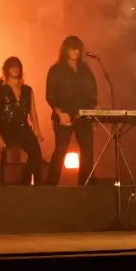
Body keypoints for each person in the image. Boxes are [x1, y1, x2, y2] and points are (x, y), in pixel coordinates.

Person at [46, 36, 99, 185]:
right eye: (72, 48)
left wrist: (94, 111)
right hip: (64, 114)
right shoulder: (56, 70)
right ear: (66, 50)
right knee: (61, 151)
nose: (76, 51)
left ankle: (84, 187)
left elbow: (93, 92)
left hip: (83, 115)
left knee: (87, 151)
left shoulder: (85, 70)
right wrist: (59, 113)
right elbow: (50, 95)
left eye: (78, 49)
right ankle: (50, 186)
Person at [0, 56, 43, 186]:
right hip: (6, 128)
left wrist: (37, 129)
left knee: (36, 153)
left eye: (17, 66)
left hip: (23, 127)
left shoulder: (27, 89)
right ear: (6, 70)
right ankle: (14, 184)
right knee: (11, 155)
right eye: (12, 66)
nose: (15, 69)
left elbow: (33, 112)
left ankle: (28, 182)